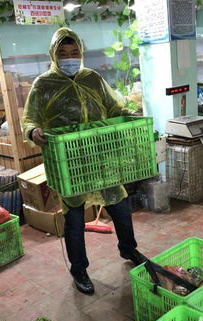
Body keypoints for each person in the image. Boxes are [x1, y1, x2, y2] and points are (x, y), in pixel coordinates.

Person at [21, 27, 147, 295]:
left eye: (74, 52)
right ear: (53, 55)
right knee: (75, 218)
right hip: (69, 162)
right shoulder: (43, 84)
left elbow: (113, 106)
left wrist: (129, 112)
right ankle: (79, 269)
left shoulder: (93, 78)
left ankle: (129, 249)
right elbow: (30, 117)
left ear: (81, 52)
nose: (69, 57)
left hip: (101, 155)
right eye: (63, 53)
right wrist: (33, 131)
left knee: (121, 206)